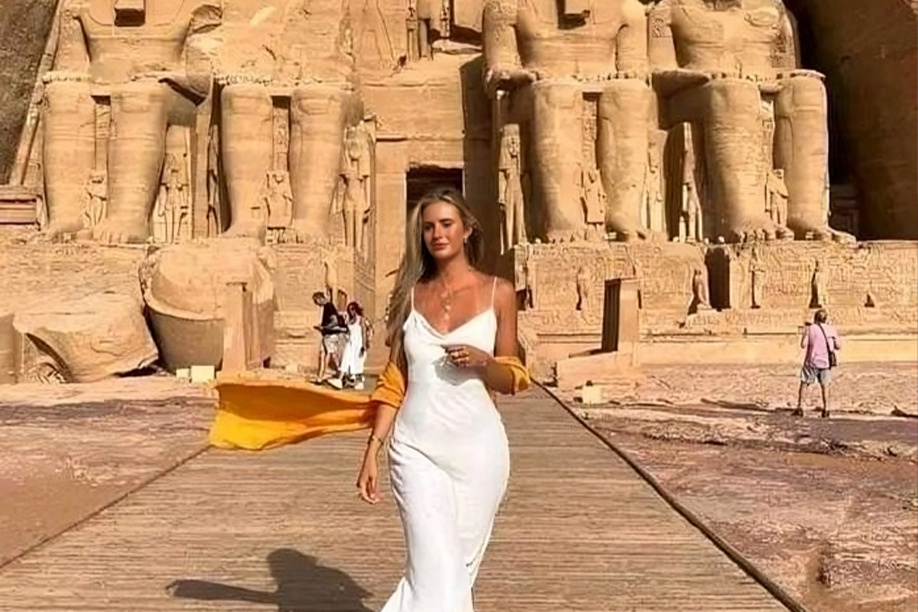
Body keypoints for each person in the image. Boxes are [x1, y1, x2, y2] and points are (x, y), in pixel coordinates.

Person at [356, 186, 523, 611]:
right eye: (428, 227)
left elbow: (512, 379)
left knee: (453, 575)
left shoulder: (499, 293)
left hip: (478, 452)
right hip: (415, 448)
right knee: (438, 573)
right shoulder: (409, 295)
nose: (437, 234)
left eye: (447, 224)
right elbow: (395, 379)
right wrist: (373, 449)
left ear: (467, 229)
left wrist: (484, 363)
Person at [795, 309, 841, 419]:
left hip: (811, 361)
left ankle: (800, 407)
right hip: (825, 362)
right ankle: (826, 409)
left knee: (805, 384)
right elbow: (838, 346)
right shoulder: (831, 329)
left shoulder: (810, 328)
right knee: (825, 386)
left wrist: (806, 333)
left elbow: (803, 344)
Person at [333, 301, 372, 390]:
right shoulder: (349, 320)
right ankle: (339, 379)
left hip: (358, 344)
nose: (351, 311)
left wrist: (364, 345)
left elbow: (365, 331)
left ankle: (359, 382)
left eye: (353, 309)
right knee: (345, 359)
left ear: (356, 309)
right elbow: (347, 331)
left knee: (357, 363)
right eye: (350, 309)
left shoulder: (361, 319)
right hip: (350, 342)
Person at [312, 291, 346, 384]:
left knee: (330, 355)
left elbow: (334, 321)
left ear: (320, 299)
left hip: (331, 335)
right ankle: (319, 377)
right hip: (327, 335)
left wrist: (324, 328)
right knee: (322, 355)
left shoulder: (329, 306)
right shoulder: (327, 307)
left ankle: (341, 373)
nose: (316, 304)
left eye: (316, 301)